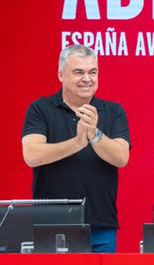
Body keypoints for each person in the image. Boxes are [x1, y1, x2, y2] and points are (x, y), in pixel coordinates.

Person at [21, 44, 130, 253]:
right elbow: (32, 155)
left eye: (93, 72)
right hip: (51, 225)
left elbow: (121, 157)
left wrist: (94, 135)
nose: (87, 78)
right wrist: (77, 143)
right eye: (79, 72)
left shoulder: (113, 111)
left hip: (101, 226)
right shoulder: (40, 109)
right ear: (61, 75)